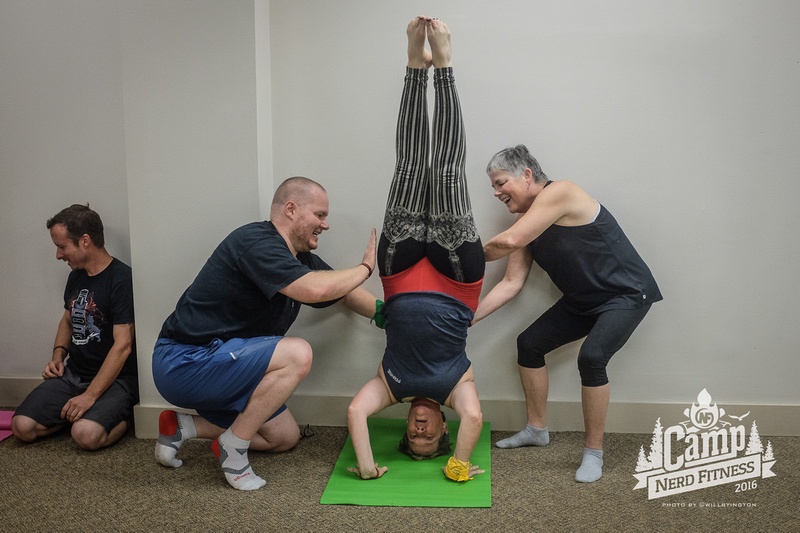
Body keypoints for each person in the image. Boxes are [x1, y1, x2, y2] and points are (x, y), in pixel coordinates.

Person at [152, 176, 379, 491]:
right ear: (290, 209)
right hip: (185, 361)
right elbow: (318, 288)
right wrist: (366, 267)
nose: (325, 225)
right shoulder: (257, 242)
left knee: (283, 437)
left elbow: (342, 291)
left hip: (223, 363)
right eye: (320, 215)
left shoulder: (297, 259)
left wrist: (389, 316)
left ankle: (182, 426)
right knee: (298, 353)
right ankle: (233, 449)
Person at [346, 17, 485, 483]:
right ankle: (442, 66)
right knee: (447, 171)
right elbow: (476, 420)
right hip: (457, 279)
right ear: (445, 429)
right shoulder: (455, 392)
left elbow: (354, 413)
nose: (421, 429)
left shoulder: (390, 388)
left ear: (404, 426)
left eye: (413, 436)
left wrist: (366, 466)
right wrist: (459, 464)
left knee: (407, 166)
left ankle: (413, 65)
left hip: (400, 275)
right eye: (430, 436)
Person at [472, 144, 662, 482]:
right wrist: (468, 316)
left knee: (591, 358)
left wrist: (461, 257)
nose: (496, 192)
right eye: (494, 186)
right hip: (583, 300)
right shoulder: (526, 225)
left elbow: (510, 241)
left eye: (500, 183)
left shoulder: (562, 192)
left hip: (626, 295)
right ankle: (537, 429)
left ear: (526, 175)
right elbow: (511, 284)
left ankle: (593, 453)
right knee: (529, 344)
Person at [12, 204, 138, 451]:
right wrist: (58, 356)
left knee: (86, 435)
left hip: (117, 381)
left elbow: (123, 345)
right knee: (22, 427)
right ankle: (75, 413)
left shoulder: (121, 279)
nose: (58, 255)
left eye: (62, 247)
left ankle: (122, 415)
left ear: (85, 241)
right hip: (74, 375)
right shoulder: (76, 275)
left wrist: (90, 395)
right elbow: (68, 320)